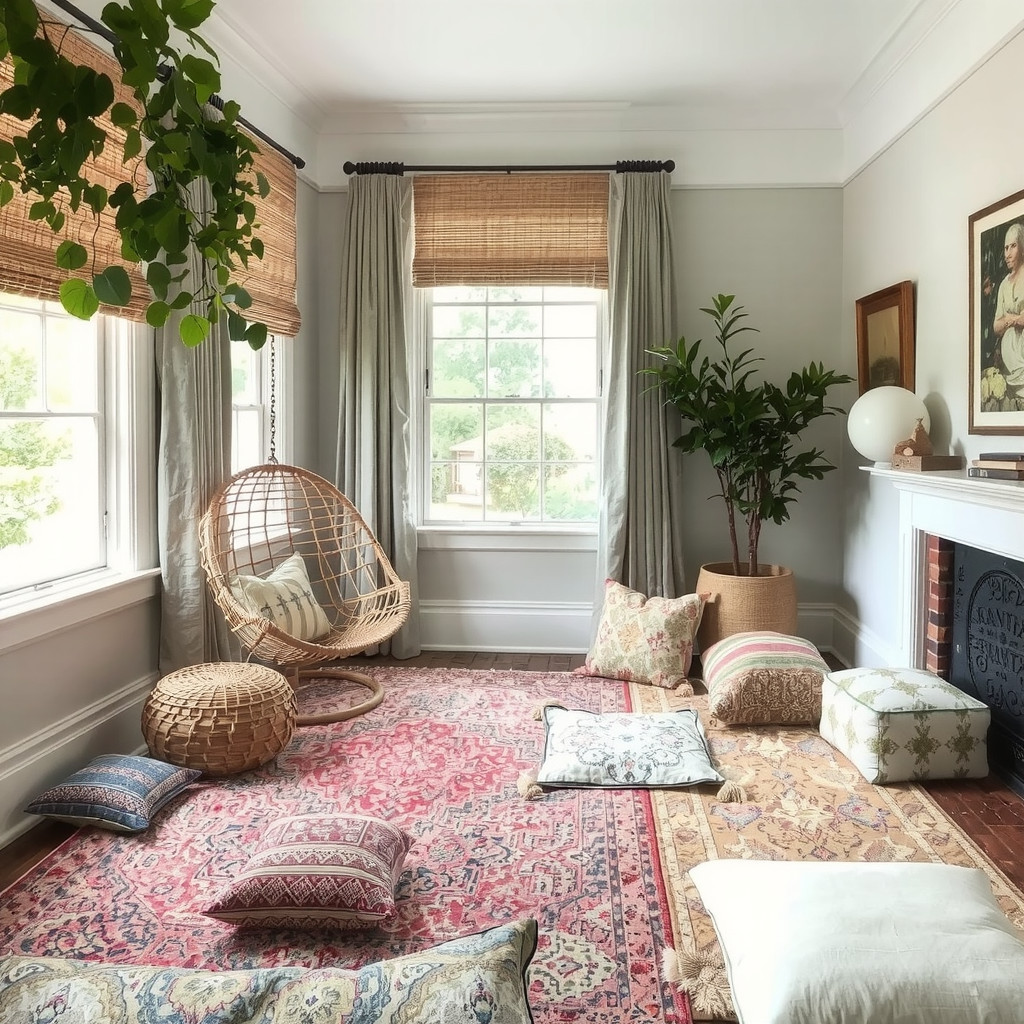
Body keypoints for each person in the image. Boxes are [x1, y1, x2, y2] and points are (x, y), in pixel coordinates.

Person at [993, 221, 1024, 392]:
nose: (1008, 254)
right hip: (1009, 364)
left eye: (1013, 246)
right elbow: (996, 327)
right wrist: (1015, 318)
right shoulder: (1004, 285)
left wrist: (1008, 319)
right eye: (1006, 248)